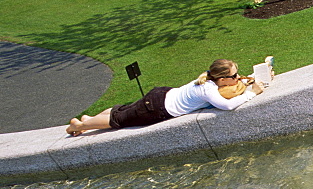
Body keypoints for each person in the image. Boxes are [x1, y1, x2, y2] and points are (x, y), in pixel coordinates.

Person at [65, 58, 269, 136]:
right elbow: (227, 106)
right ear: (222, 79)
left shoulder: (207, 79)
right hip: (157, 109)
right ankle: (78, 126)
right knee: (119, 120)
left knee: (123, 109)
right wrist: (252, 93)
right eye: (234, 76)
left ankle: (87, 120)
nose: (237, 78)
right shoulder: (208, 90)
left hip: (160, 95)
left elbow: (237, 82)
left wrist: (253, 77)